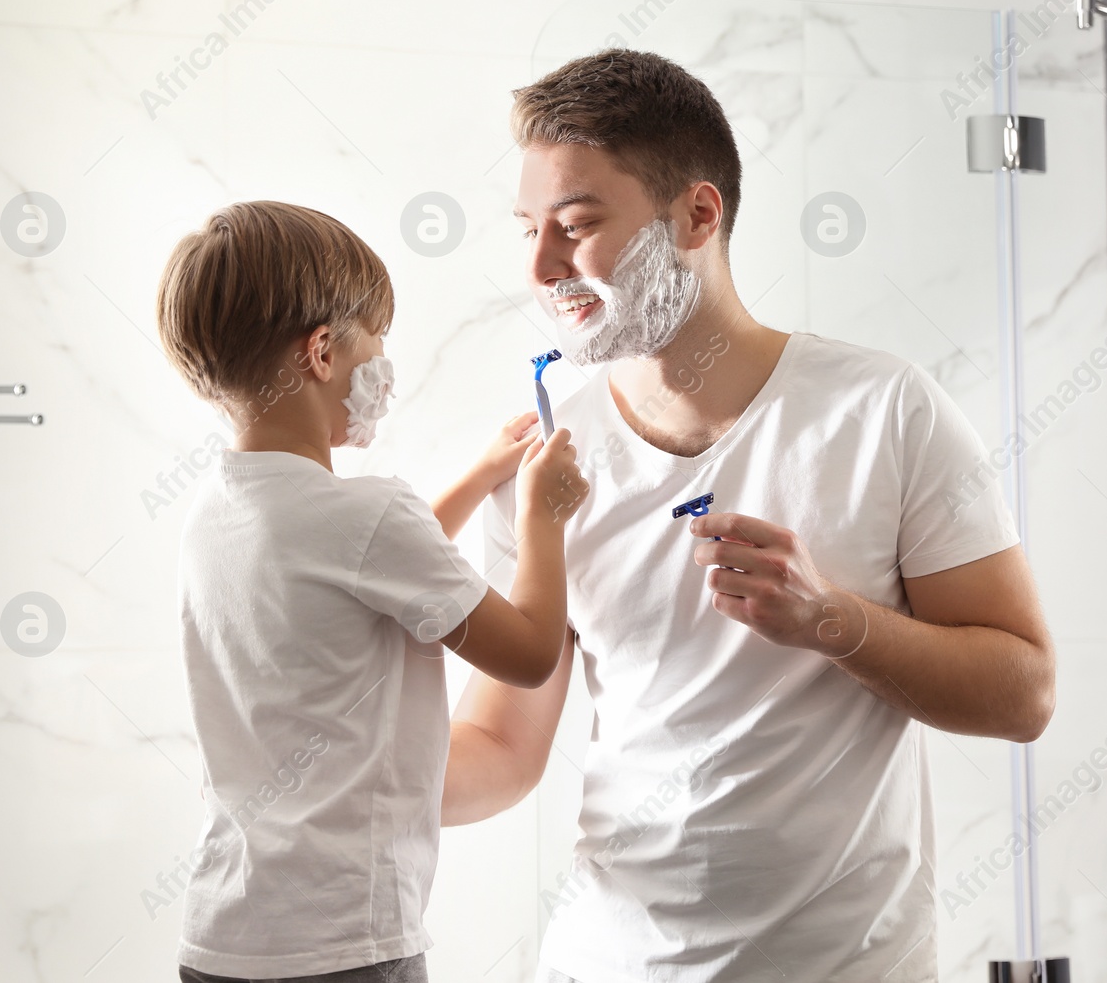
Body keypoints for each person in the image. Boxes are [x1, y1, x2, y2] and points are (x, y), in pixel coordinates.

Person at [441, 52, 1057, 983]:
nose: (540, 266)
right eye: (527, 229)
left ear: (697, 214)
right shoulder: (544, 464)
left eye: (575, 225)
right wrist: (341, 787)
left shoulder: (884, 410)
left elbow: (1023, 694)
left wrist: (833, 622)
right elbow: (501, 745)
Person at [154, 201, 588, 983]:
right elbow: (526, 652)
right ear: (321, 351)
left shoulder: (214, 507)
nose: (385, 367)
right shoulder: (366, 514)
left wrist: (479, 473)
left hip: (225, 931)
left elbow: (375, 567)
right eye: (374, 344)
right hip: (344, 939)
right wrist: (542, 516)